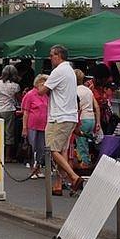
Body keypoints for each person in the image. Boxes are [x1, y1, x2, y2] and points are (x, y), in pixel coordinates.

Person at [37, 45, 81, 196]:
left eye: (52, 55)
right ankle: (58, 185)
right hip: (69, 115)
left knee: (51, 149)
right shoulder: (70, 71)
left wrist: (41, 83)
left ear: (59, 56)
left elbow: (42, 91)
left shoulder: (59, 71)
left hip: (59, 116)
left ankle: (73, 177)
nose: (50, 58)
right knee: (61, 151)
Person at [0, 65, 21, 162]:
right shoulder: (15, 86)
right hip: (8, 109)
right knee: (9, 133)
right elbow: (18, 98)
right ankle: (8, 156)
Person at [21, 74, 49, 179]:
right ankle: (32, 169)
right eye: (43, 83)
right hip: (32, 125)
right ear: (37, 83)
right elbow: (26, 112)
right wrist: (24, 127)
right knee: (32, 147)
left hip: (43, 125)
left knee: (41, 147)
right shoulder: (30, 95)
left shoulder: (46, 96)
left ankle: (38, 168)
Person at [75, 69, 101, 169]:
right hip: (91, 119)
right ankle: (87, 160)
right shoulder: (88, 91)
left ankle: (84, 162)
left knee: (81, 142)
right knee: (86, 141)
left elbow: (78, 108)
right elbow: (97, 107)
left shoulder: (75, 91)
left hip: (82, 118)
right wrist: (98, 122)